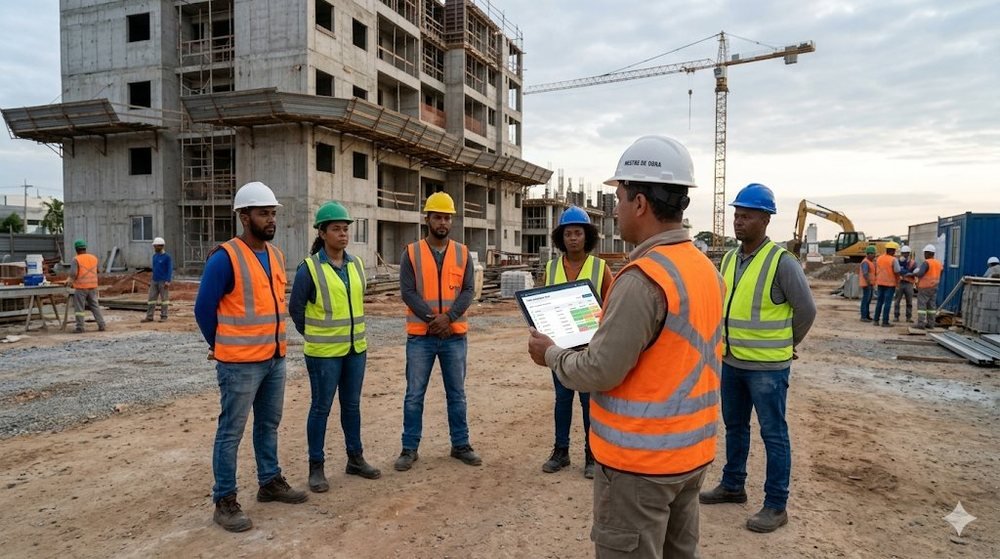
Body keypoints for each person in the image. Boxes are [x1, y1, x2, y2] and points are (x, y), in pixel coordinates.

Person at [528, 135, 724, 558]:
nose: (615, 208)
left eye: (617, 197)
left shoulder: (643, 278)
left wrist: (550, 354)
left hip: (641, 465)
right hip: (690, 457)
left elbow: (600, 370)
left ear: (639, 203)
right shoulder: (705, 269)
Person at [700, 182, 816, 534]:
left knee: (774, 434)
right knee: (735, 427)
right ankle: (733, 485)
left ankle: (776, 505)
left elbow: (806, 310)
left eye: (746, 216)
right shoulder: (731, 258)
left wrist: (786, 342)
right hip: (732, 362)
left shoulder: (783, 262)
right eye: (736, 215)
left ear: (765, 220)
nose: (738, 221)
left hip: (767, 368)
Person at [194, 181, 307, 533]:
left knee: (268, 425)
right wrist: (224, 345)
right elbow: (203, 309)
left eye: (272, 213)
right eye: (263, 213)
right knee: (231, 431)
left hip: (274, 358)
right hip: (239, 363)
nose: (270, 220)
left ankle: (269, 481)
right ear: (244, 217)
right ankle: (224, 499)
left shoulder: (276, 255)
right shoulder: (224, 257)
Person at [289, 202, 380, 493]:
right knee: (321, 408)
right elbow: (296, 309)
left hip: (356, 350)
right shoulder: (310, 269)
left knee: (352, 406)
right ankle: (316, 467)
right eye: (336, 229)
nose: (343, 234)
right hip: (324, 355)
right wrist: (315, 335)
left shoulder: (355, 265)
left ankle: (355, 458)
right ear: (322, 232)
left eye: (345, 229)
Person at [394, 191, 481, 472]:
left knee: (457, 394)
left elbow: (468, 290)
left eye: (447, 217)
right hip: (421, 336)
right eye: (437, 217)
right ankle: (409, 448)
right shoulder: (412, 252)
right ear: (427, 219)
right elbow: (408, 292)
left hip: (454, 336)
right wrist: (434, 319)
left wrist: (450, 318)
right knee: (414, 394)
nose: (442, 222)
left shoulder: (462, 253)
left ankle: (461, 444)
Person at [540, 206, 613, 479]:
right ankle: (561, 452)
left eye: (578, 233)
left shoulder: (600, 268)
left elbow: (612, 304)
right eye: (568, 233)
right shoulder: (551, 268)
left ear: (587, 236)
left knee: (588, 403)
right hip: (559, 348)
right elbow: (543, 303)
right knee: (562, 400)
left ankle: (592, 455)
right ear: (561, 237)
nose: (573, 238)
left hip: (588, 349)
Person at [68, 238, 106, 333]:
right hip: (93, 286)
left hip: (81, 287)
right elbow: (98, 271)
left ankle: (80, 327)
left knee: (79, 308)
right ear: (85, 248)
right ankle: (101, 324)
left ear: (76, 249)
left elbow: (73, 274)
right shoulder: (93, 258)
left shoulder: (76, 259)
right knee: (95, 306)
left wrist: (68, 282)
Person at [906, 244, 943, 329]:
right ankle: (931, 323)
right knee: (931, 306)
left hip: (925, 287)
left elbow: (920, 274)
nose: (924, 255)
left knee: (922, 306)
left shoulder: (927, 263)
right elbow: (941, 272)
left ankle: (921, 324)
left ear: (929, 253)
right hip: (934, 286)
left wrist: (913, 274)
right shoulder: (938, 263)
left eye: (925, 253)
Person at [142, 237, 172, 323]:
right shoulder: (154, 256)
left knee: (164, 300)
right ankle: (149, 316)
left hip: (163, 281)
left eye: (155, 246)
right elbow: (154, 269)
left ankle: (164, 316)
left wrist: (168, 280)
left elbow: (169, 269)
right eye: (154, 246)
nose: (154, 248)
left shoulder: (167, 257)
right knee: (151, 299)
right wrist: (151, 280)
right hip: (154, 280)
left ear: (161, 246)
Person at [872, 242, 901, 327]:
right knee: (887, 303)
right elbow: (897, 271)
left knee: (879, 302)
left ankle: (876, 320)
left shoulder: (879, 258)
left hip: (880, 283)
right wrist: (898, 281)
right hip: (890, 284)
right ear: (892, 251)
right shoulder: (893, 260)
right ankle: (885, 322)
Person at [893, 245, 916, 323]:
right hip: (900, 283)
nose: (905, 254)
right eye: (903, 253)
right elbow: (897, 270)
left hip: (909, 283)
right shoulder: (898, 261)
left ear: (909, 253)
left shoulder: (913, 262)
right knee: (897, 301)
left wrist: (909, 274)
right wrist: (906, 272)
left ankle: (908, 317)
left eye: (906, 253)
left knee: (909, 301)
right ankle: (896, 316)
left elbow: (916, 272)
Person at [859, 245, 876, 322]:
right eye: (873, 254)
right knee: (865, 300)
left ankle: (867, 315)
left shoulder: (870, 262)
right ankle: (863, 316)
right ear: (869, 254)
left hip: (870, 284)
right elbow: (865, 273)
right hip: (867, 284)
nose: (874, 256)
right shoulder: (865, 262)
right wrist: (869, 282)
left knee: (868, 300)